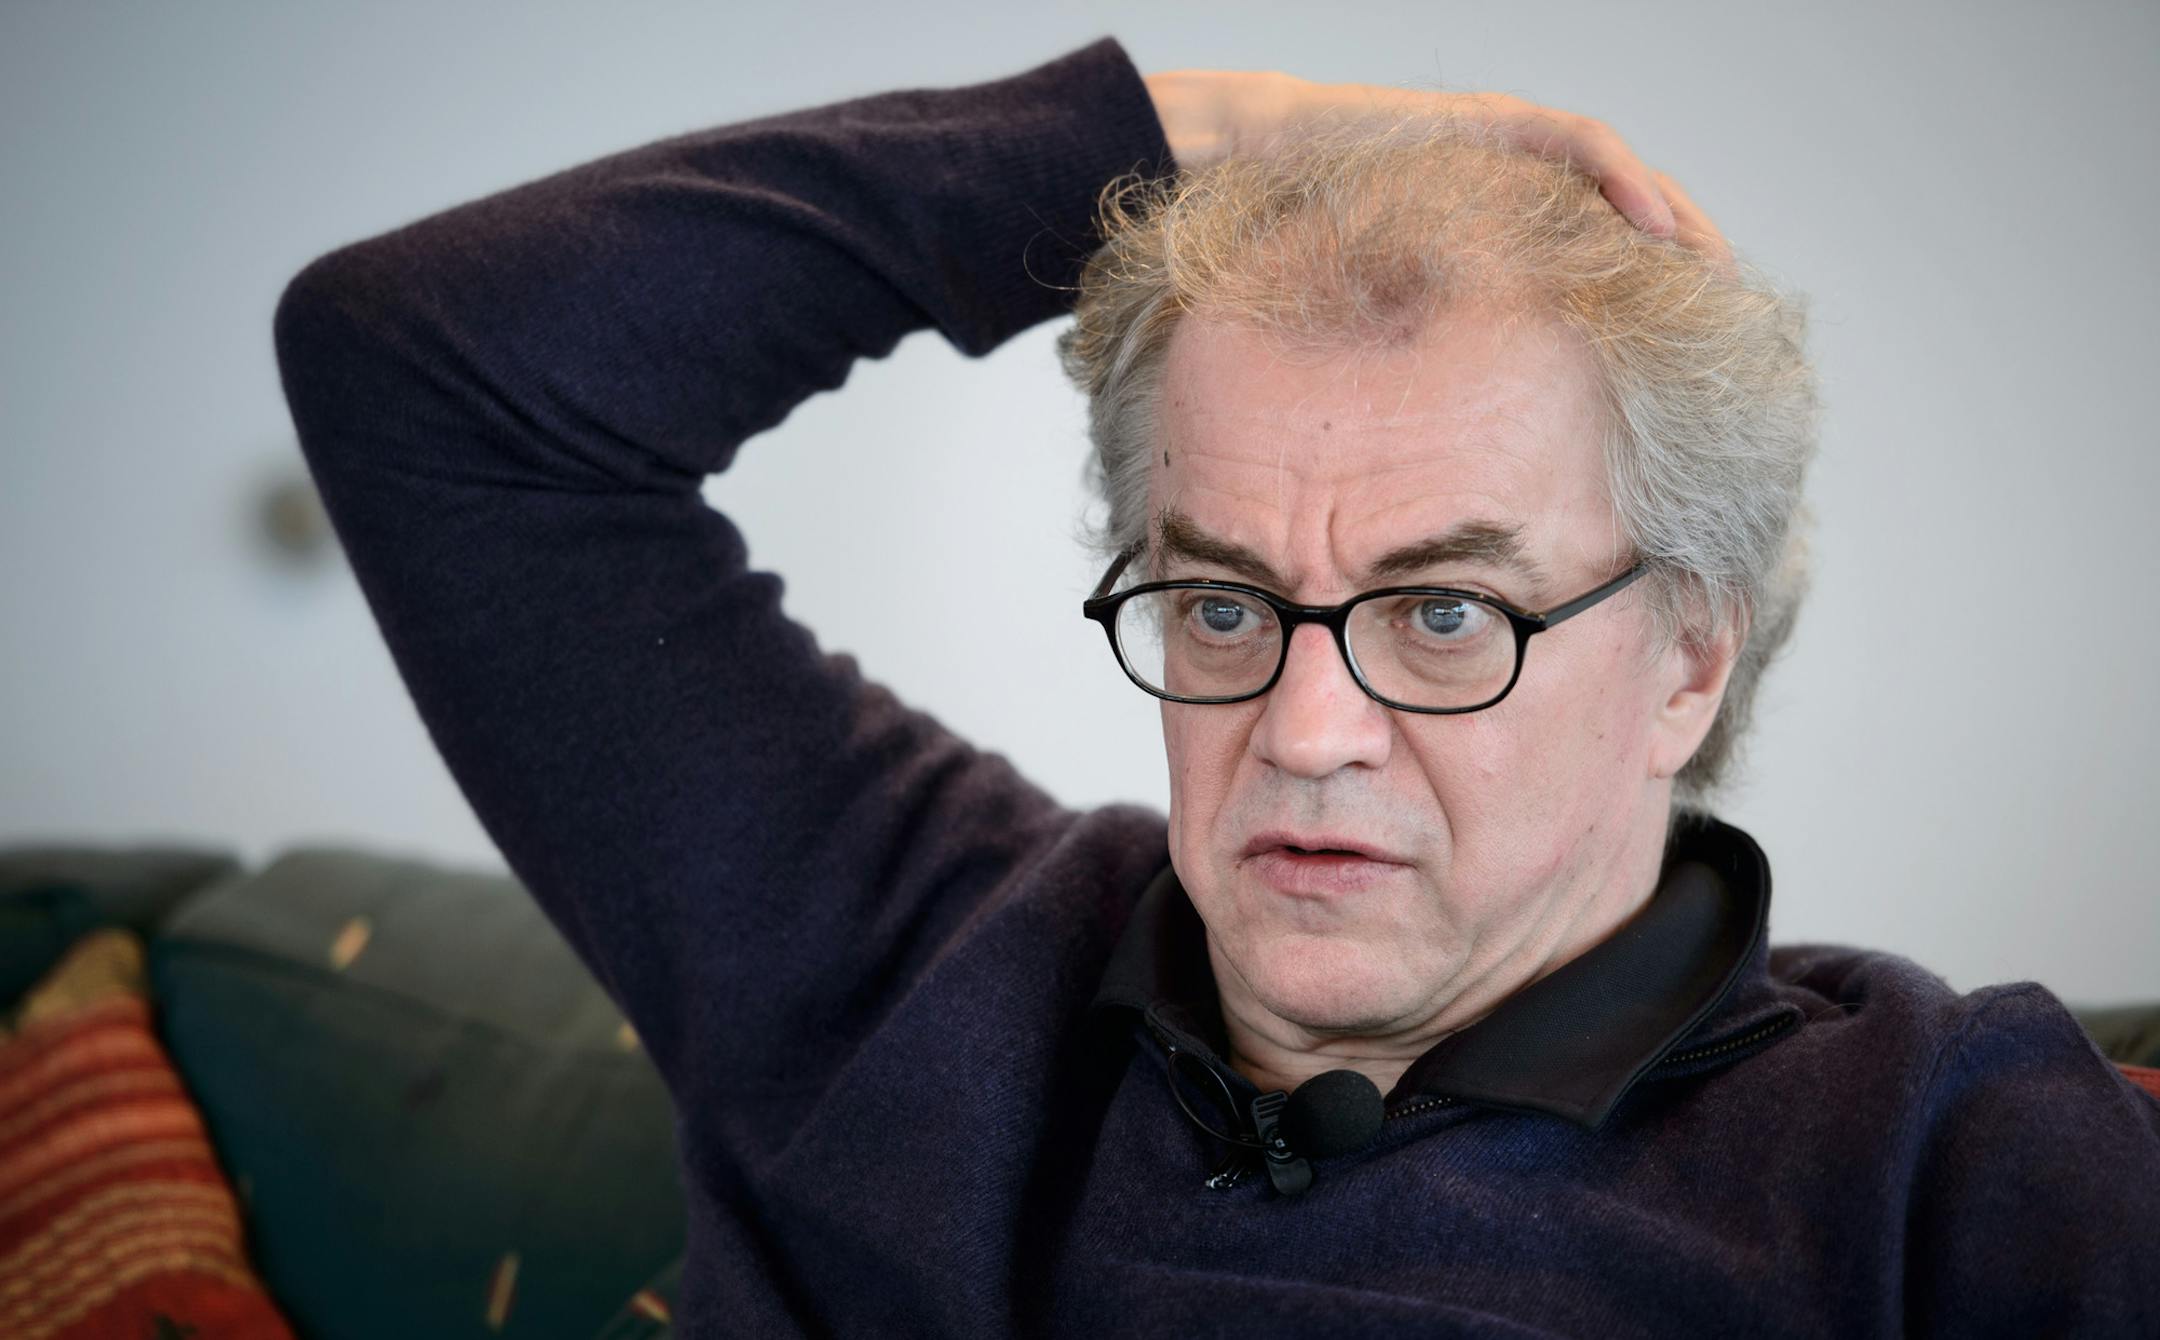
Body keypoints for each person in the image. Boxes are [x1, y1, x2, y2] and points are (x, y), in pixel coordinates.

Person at [272, 35, 2160, 1338]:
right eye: (1227, 605)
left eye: (1444, 617)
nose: (1307, 735)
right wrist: (1197, 129)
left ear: (1685, 656)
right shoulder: (907, 945)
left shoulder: (1946, 1159)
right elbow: (421, 367)